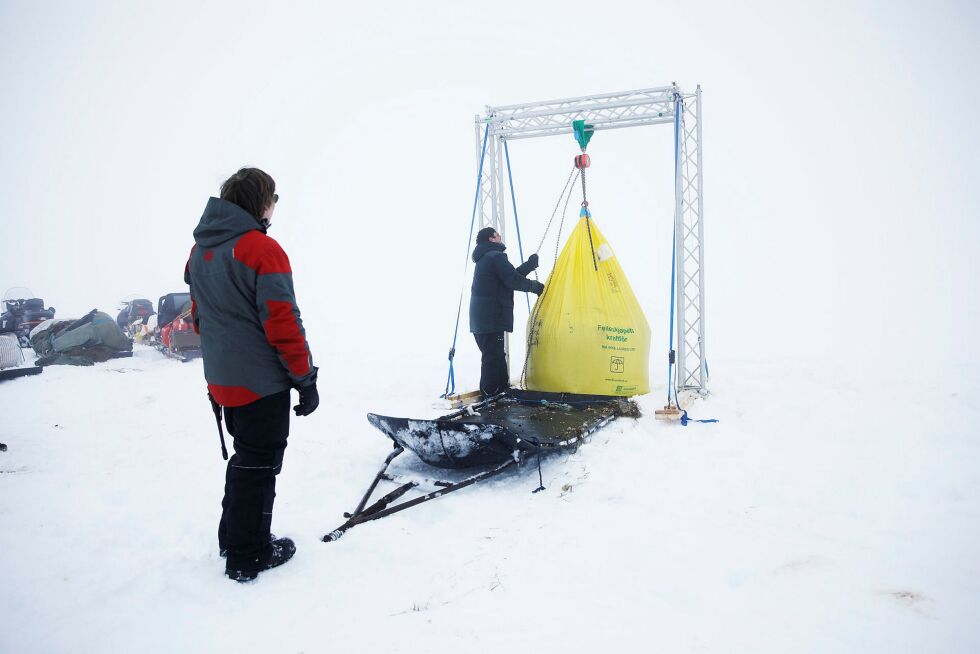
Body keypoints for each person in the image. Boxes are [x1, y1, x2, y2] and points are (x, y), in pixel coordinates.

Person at [185, 167, 319, 583]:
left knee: (247, 458)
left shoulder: (199, 250)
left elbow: (198, 318)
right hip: (260, 383)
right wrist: (305, 378)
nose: (275, 208)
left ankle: (234, 536)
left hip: (224, 380)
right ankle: (248, 553)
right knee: (260, 464)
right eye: (274, 200)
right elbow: (283, 323)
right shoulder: (261, 249)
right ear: (262, 201)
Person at [469, 226, 545, 396]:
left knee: (496, 354)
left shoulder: (487, 257)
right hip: (490, 316)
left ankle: (502, 389)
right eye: (497, 235)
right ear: (491, 238)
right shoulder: (495, 257)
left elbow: (508, 277)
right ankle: (489, 393)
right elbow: (512, 280)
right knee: (492, 356)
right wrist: (536, 287)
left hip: (482, 317)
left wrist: (529, 266)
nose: (500, 236)